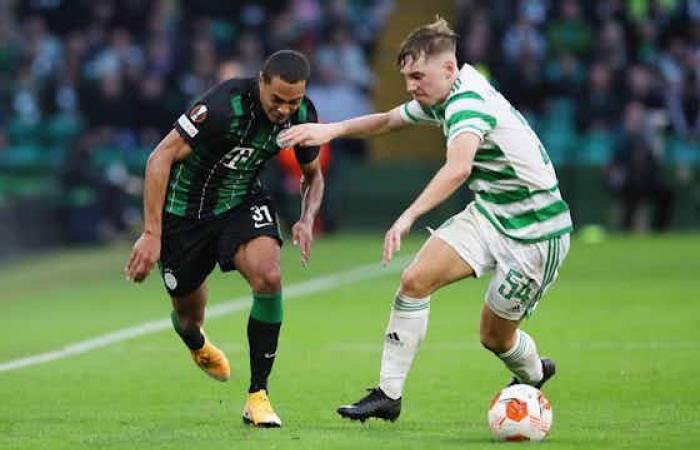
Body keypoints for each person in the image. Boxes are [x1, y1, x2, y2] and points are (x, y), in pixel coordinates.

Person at [280, 18, 572, 422]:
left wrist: (407, 217)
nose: (412, 86)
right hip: (491, 214)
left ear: (448, 69)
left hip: (537, 234)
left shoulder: (468, 103)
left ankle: (535, 373)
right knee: (415, 281)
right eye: (406, 77)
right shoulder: (442, 96)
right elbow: (386, 121)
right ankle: (388, 395)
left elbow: (458, 169)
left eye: (418, 76)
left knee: (494, 336)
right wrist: (331, 129)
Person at [125, 50, 324, 428]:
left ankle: (258, 396)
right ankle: (195, 341)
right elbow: (159, 158)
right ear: (261, 82)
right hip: (184, 215)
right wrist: (152, 233)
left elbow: (313, 175)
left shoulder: (302, 115)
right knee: (189, 315)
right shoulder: (222, 106)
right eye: (277, 100)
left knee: (269, 276)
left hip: (240, 200)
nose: (284, 110)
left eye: (293, 101)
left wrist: (307, 217)